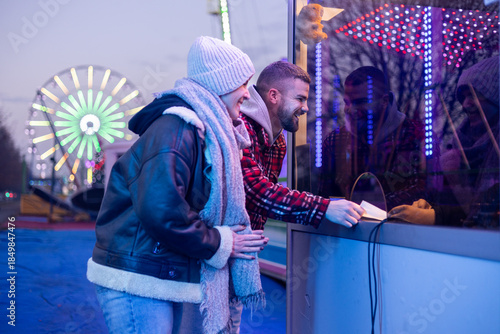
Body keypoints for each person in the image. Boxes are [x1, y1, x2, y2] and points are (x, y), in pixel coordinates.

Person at [86, 36, 269, 334]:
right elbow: (162, 210)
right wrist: (222, 241)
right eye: (242, 84)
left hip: (150, 270)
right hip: (136, 278)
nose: (247, 95)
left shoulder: (199, 130)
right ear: (220, 84)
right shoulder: (177, 129)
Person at [239, 60, 365, 231]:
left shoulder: (277, 140)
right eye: (300, 99)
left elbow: (264, 202)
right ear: (273, 96)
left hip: (243, 245)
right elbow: (255, 191)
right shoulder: (241, 128)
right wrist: (324, 207)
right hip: (222, 247)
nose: (305, 108)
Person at [389, 56, 500, 228]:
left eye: (474, 95)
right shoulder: (457, 147)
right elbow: (457, 206)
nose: (465, 104)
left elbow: (488, 214)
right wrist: (426, 205)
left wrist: (435, 216)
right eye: (462, 97)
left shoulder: (493, 150)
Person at [318, 66, 427, 211]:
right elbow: (326, 198)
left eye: (359, 102)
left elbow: (421, 192)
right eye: (347, 102)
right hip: (347, 229)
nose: (349, 110)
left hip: (402, 230)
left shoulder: (415, 135)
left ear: (384, 101)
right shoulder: (335, 140)